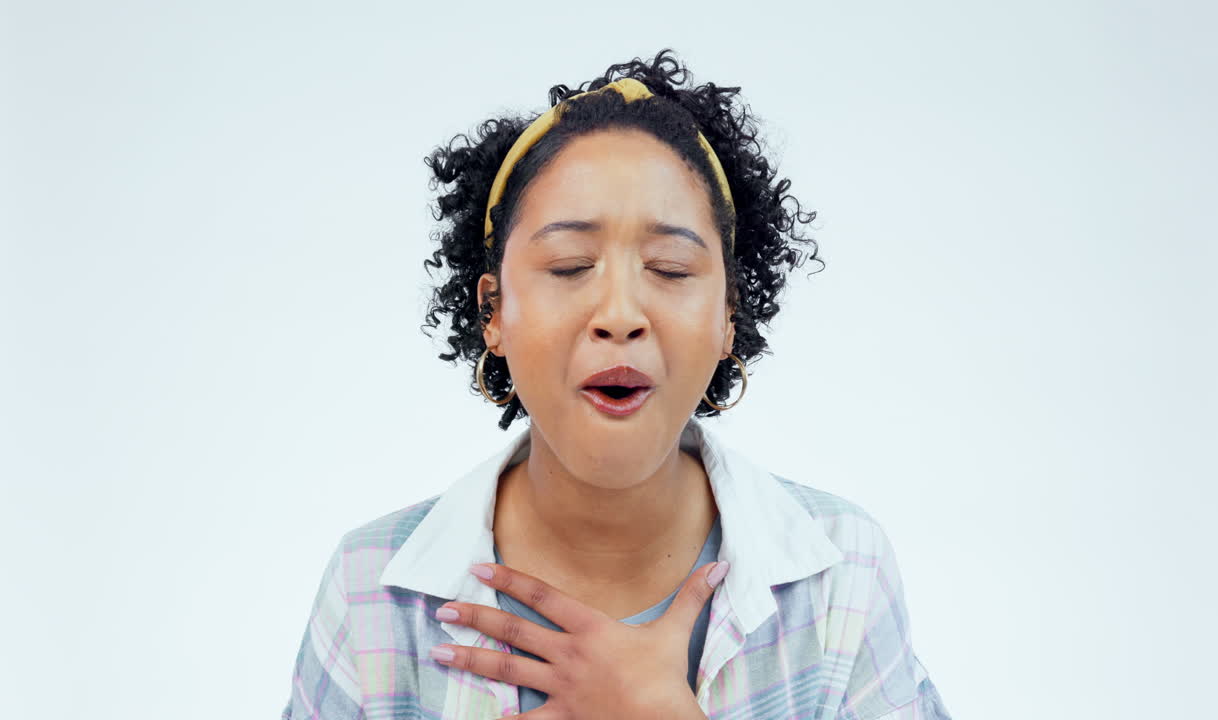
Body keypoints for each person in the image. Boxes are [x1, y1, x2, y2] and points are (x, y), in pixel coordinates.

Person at [281, 49, 952, 720]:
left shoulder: (841, 574)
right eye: (571, 266)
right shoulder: (372, 591)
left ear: (728, 317)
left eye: (670, 267)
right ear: (493, 313)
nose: (621, 315)